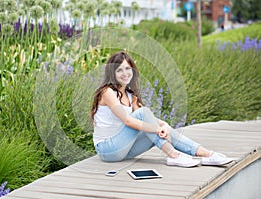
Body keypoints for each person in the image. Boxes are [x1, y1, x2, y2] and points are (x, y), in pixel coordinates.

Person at [90, 51, 232, 167]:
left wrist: (164, 126)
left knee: (159, 126)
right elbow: (128, 120)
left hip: (124, 150)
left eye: (127, 68)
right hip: (107, 150)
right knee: (146, 117)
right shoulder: (107, 92)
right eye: (119, 70)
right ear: (112, 73)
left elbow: (148, 118)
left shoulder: (130, 94)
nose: (125, 73)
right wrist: (156, 128)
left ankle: (206, 154)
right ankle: (174, 155)